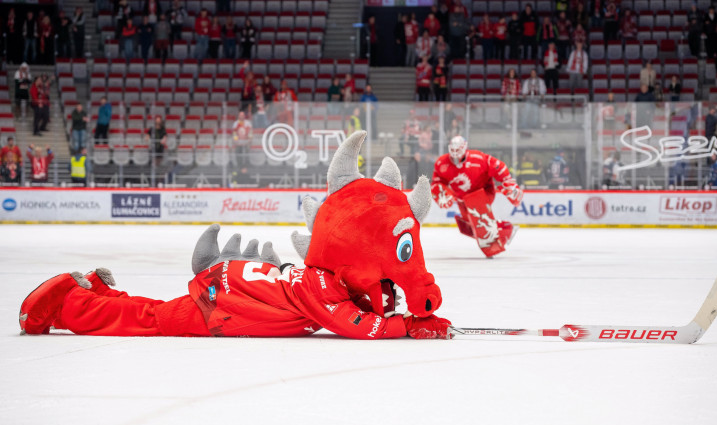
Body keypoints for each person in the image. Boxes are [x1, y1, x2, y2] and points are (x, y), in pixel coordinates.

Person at [19, 134, 452, 340]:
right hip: (222, 305)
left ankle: (90, 292)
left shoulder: (324, 279)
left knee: (154, 310)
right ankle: (65, 303)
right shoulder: (325, 293)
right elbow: (357, 326)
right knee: (150, 321)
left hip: (228, 289)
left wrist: (395, 307)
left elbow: (355, 303)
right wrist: (411, 326)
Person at [430, 135, 523, 257]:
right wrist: (440, 193)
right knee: (469, 225)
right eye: (453, 149)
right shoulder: (441, 163)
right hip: (462, 199)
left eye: (458, 149)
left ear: (464, 148)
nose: (455, 153)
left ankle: (496, 235)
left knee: (478, 217)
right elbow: (437, 182)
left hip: (483, 192)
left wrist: (508, 182)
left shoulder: (477, 158)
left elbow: (498, 166)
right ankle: (505, 228)